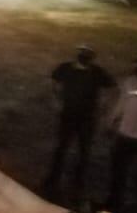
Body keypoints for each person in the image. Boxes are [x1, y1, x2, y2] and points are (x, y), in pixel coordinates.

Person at [44, 45, 115, 197]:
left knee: (84, 150)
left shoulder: (97, 72)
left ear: (92, 57)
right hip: (68, 115)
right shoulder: (65, 68)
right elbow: (52, 80)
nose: (84, 55)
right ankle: (53, 179)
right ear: (78, 54)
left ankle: (78, 182)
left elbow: (111, 86)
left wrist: (104, 103)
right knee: (62, 147)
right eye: (82, 52)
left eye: (88, 53)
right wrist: (55, 99)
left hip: (87, 118)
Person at [103, 55, 137, 213]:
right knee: (118, 171)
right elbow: (122, 103)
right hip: (124, 135)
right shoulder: (130, 82)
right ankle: (114, 201)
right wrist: (111, 121)